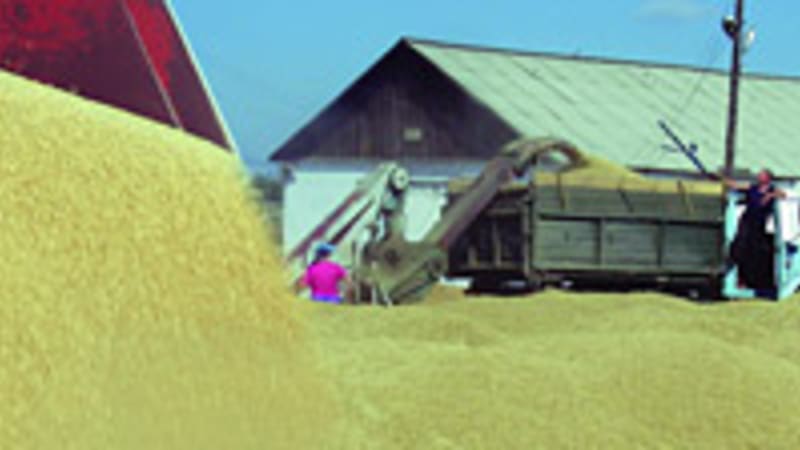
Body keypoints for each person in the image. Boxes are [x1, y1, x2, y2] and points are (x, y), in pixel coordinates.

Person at [721, 169, 787, 289]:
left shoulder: (772, 189)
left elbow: (783, 195)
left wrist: (769, 196)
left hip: (759, 224)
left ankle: (752, 279)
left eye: (761, 175)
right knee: (740, 246)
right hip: (747, 221)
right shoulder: (753, 187)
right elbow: (736, 185)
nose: (758, 176)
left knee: (755, 251)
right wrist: (724, 179)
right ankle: (736, 270)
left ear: (768, 178)